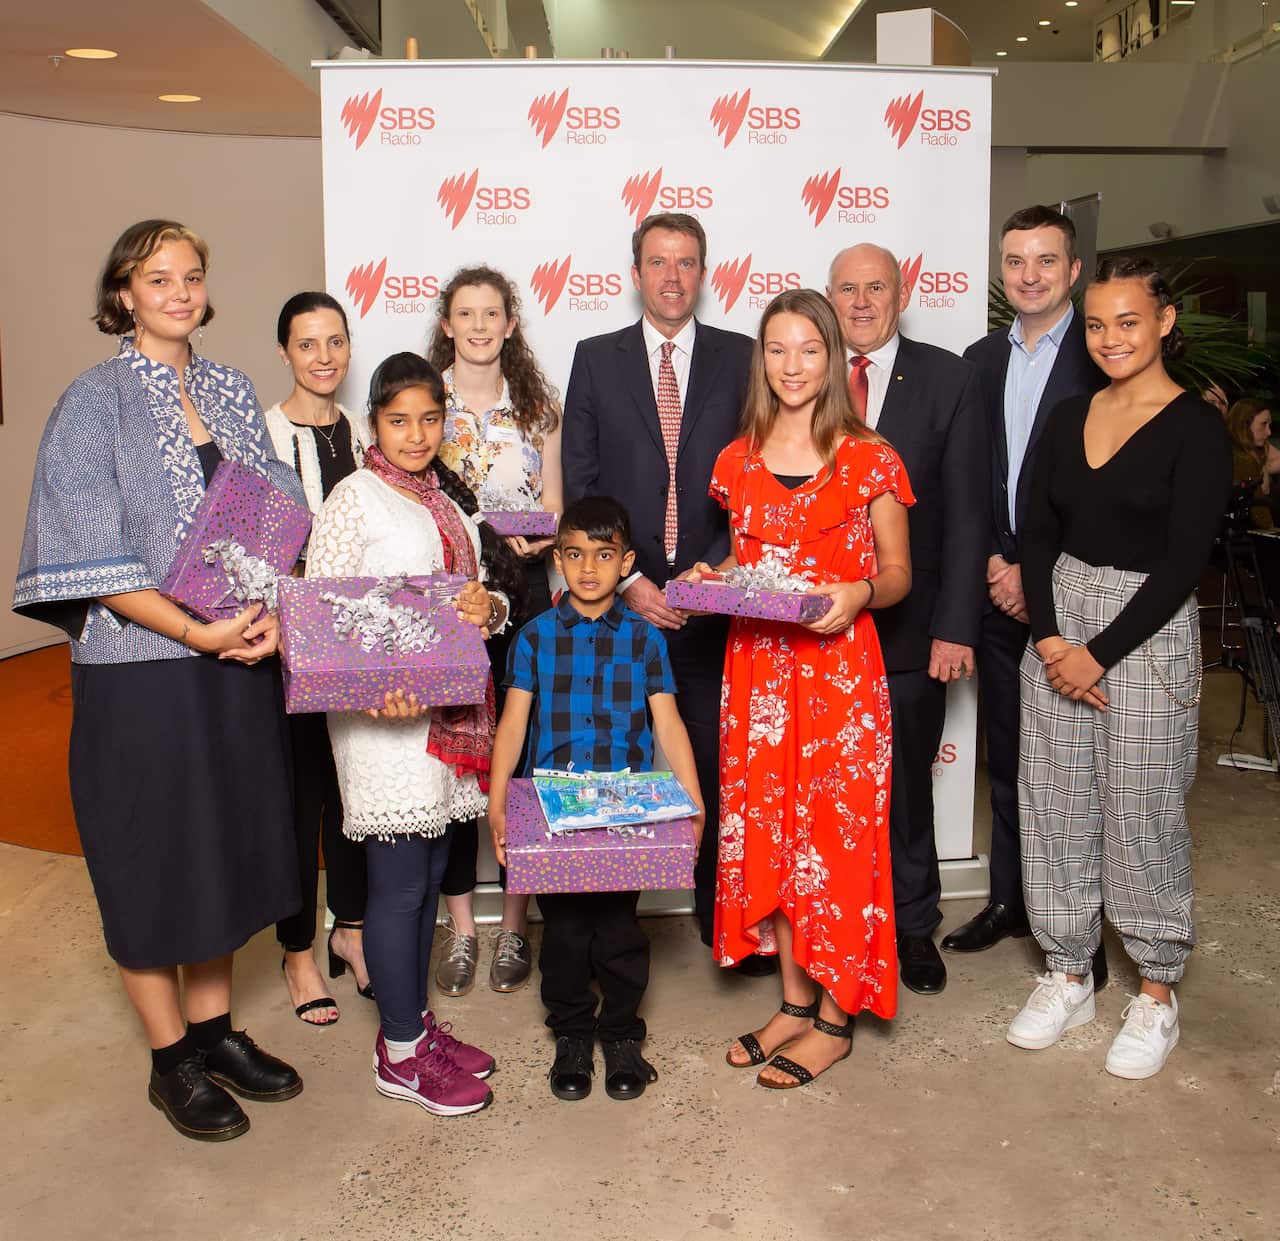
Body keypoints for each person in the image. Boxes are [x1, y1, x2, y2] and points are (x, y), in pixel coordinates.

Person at [13, 219, 304, 1141]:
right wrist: (195, 630)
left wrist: (270, 614)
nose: (179, 291)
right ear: (124, 294)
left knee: (220, 847)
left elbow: (274, 513)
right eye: (157, 278)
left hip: (232, 663)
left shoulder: (230, 388)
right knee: (150, 856)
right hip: (143, 674)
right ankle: (170, 1057)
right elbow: (89, 555)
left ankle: (214, 1033)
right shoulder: (91, 403)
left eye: (191, 275)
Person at [1009, 257, 1232, 1079]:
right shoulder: (1070, 414)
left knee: (1142, 808)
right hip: (1059, 615)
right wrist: (1051, 639)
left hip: (1146, 625)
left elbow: (1184, 562)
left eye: (1129, 321)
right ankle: (1069, 971)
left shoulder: (1196, 427)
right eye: (1098, 324)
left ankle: (1157, 990)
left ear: (1164, 322)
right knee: (1054, 803)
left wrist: (1096, 653)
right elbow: (1036, 531)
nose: (1111, 338)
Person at [691, 289, 912, 1089]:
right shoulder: (738, 458)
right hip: (757, 676)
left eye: (809, 350)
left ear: (832, 357)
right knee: (774, 840)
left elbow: (898, 572)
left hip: (839, 679)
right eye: (778, 349)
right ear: (763, 358)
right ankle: (792, 1002)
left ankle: (835, 1019)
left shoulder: (871, 457)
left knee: (839, 846)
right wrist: (710, 576)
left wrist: (860, 591)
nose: (792, 366)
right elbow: (749, 560)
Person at [305, 352, 523, 1115]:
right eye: (399, 420)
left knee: (429, 875)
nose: (416, 433)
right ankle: (399, 1053)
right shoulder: (354, 498)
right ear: (375, 423)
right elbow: (323, 616)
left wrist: (489, 608)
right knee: (399, 887)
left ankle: (415, 1025)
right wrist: (372, 692)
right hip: (382, 725)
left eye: (430, 418)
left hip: (442, 717)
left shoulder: (445, 497)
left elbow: (482, 597)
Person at [561, 213, 762, 971]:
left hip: (714, 604)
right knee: (613, 767)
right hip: (619, 607)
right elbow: (581, 484)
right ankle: (608, 936)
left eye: (686, 262)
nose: (672, 277)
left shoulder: (742, 357)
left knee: (714, 766)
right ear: (636, 272)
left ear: (703, 272)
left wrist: (706, 576)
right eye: (657, 262)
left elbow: (758, 476)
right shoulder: (595, 358)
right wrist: (633, 578)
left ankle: (723, 927)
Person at [487, 496, 704, 1102]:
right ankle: (572, 1034)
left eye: (604, 555)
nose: (588, 568)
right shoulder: (533, 638)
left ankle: (622, 1034)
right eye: (575, 554)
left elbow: (668, 724)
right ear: (557, 559)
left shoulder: (645, 641)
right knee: (564, 933)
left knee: (617, 930)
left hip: (625, 809)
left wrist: (693, 802)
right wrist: (498, 805)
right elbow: (512, 725)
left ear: (625, 562)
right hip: (553, 810)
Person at [826, 243, 990, 995]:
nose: (861, 302)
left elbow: (967, 511)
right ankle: (829, 924)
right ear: (830, 296)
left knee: (902, 789)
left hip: (912, 626)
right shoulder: (802, 371)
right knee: (824, 787)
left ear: (902, 293)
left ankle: (912, 925)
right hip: (815, 626)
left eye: (876, 287)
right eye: (847, 288)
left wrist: (955, 625)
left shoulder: (950, 379)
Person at [949, 207, 1108, 973]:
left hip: (1072, 593)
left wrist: (1032, 573)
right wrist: (992, 559)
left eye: (1046, 260)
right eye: (1015, 261)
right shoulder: (980, 359)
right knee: (1009, 762)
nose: (1030, 275)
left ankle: (1078, 927)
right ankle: (1011, 900)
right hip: (995, 589)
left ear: (1073, 269)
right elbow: (968, 475)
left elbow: (1108, 492)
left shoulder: (1103, 355)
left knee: (1077, 768)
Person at [426, 265, 562, 999]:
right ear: (447, 323)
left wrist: (544, 537)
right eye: (465, 313)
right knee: (455, 760)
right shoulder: (424, 402)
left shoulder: (538, 407)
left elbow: (555, 504)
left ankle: (514, 923)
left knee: (524, 759)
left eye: (491, 314)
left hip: (528, 594)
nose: (479, 326)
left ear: (511, 324)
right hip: (450, 599)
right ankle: (461, 927)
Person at [264, 291, 373, 1026]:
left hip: (362, 643)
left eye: (335, 341)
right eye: (307, 344)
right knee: (301, 797)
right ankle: (298, 950)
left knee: (354, 790)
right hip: (294, 642)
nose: (324, 357)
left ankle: (352, 930)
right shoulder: (262, 435)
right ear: (284, 353)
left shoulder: (366, 432)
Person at [1225, 397, 1275, 529]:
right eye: (1263, 424)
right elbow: (1259, 515)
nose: (1269, 432)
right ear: (1245, 424)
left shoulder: (1226, 449)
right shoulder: (1243, 459)